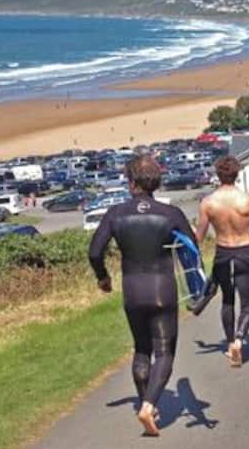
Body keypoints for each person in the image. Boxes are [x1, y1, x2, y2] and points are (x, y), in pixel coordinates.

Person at [88, 155, 194, 437]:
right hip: (163, 288)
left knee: (142, 348)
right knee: (165, 350)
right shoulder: (170, 214)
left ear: (131, 181)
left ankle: (145, 402)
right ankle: (148, 405)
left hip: (133, 289)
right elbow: (192, 250)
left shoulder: (116, 213)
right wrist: (196, 286)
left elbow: (94, 251)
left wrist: (103, 277)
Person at [194, 156, 249, 368]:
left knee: (227, 300)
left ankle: (229, 344)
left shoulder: (208, 203)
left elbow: (198, 237)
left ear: (218, 175)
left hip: (223, 253)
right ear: (237, 174)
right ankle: (239, 338)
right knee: (246, 304)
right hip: (245, 252)